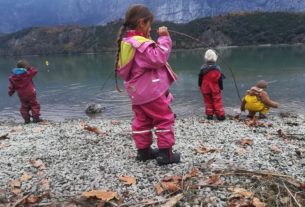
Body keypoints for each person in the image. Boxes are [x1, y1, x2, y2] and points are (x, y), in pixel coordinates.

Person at [115, 4, 180, 165]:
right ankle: (166, 154)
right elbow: (158, 58)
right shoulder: (139, 43)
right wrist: (164, 38)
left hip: (136, 93)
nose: (150, 29)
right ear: (142, 23)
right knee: (164, 118)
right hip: (151, 92)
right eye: (149, 26)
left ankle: (143, 152)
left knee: (142, 121)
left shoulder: (127, 42)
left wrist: (149, 38)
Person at [8, 60, 42, 124]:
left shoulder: (13, 77)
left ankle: (26, 120)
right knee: (34, 105)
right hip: (30, 93)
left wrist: (10, 92)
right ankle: (36, 119)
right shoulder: (27, 74)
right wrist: (29, 68)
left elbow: (11, 87)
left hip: (21, 95)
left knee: (24, 106)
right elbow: (35, 71)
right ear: (26, 67)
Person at [198, 49, 226, 120]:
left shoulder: (203, 68)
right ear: (215, 57)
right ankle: (220, 115)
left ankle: (209, 115)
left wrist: (199, 86)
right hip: (215, 88)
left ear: (205, 57)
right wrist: (221, 87)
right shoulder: (217, 68)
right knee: (217, 101)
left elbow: (200, 78)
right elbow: (220, 80)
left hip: (205, 88)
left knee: (208, 101)